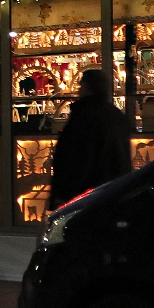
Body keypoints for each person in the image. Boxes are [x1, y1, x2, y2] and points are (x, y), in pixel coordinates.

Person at [48, 68, 132, 210]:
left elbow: (77, 157)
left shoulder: (84, 116)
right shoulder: (116, 115)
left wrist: (64, 194)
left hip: (86, 195)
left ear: (87, 88)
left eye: (81, 86)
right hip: (112, 192)